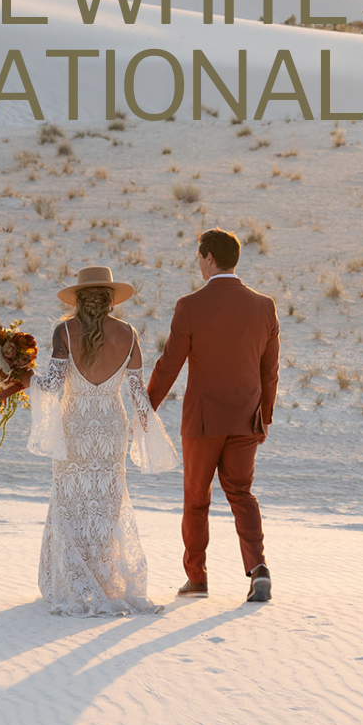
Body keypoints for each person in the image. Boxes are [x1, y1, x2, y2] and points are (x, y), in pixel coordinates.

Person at [15, 266, 177, 616]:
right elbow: (138, 395)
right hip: (110, 428)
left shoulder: (65, 331)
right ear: (110, 300)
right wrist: (145, 434)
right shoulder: (129, 334)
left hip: (75, 426)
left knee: (71, 502)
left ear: (78, 299)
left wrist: (20, 375)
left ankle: (74, 581)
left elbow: (52, 386)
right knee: (106, 504)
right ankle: (104, 580)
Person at [148, 227, 279, 603]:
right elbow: (270, 370)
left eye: (198, 258)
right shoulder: (264, 306)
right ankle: (258, 570)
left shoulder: (190, 306)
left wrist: (147, 408)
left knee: (196, 498)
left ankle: (197, 578)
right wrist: (264, 417)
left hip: (203, 421)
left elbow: (169, 364)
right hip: (246, 419)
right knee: (241, 493)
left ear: (208, 258)